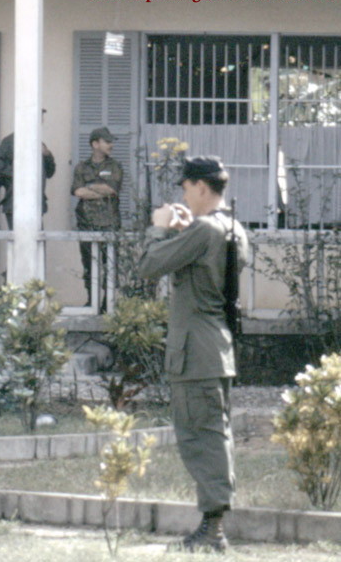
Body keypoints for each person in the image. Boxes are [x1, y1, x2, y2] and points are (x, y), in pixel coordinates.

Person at [138, 156, 249, 553]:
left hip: (195, 351)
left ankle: (213, 530)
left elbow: (148, 265)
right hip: (215, 347)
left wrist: (158, 227)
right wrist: (182, 232)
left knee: (202, 438)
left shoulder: (204, 230)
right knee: (213, 435)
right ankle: (212, 525)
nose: (182, 195)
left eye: (185, 188)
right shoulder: (230, 227)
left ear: (201, 187)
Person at [71, 126, 123, 308]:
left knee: (109, 264)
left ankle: (106, 302)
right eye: (107, 142)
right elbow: (78, 191)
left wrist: (90, 187)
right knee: (89, 264)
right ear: (95, 144)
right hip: (86, 222)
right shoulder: (81, 167)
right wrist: (99, 188)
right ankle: (91, 299)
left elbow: (111, 189)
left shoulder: (115, 166)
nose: (111, 145)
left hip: (109, 222)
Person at [0, 111, 56, 230]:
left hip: (36, 202)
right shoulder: (10, 141)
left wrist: (47, 155)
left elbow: (50, 172)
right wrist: (20, 174)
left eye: (40, 119)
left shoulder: (40, 143)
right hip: (14, 199)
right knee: (17, 241)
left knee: (38, 241)